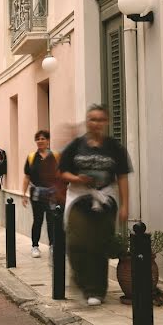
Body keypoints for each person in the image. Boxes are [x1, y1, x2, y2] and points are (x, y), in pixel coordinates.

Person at [59, 105, 131, 306]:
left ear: (106, 122)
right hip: (79, 198)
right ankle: (81, 278)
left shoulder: (115, 148)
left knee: (99, 245)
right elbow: (62, 172)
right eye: (92, 119)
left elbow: (122, 177)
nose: (96, 123)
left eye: (100, 120)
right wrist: (77, 178)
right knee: (76, 243)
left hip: (106, 199)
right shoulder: (76, 146)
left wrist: (125, 205)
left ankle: (96, 291)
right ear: (87, 122)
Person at [21, 130, 61, 258]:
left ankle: (53, 246)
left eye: (43, 138)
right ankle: (35, 246)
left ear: (48, 141)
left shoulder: (55, 156)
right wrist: (23, 194)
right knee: (37, 220)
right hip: (36, 193)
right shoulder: (32, 157)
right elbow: (27, 176)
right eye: (38, 139)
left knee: (51, 220)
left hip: (52, 193)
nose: (40, 141)